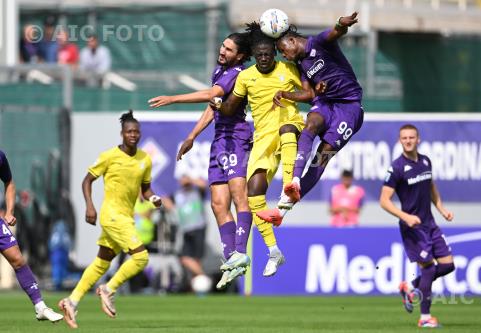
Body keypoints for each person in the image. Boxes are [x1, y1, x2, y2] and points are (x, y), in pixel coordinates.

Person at [148, 33, 253, 288]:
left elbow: (210, 95)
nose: (222, 50)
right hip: (220, 139)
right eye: (223, 45)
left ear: (239, 55)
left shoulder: (236, 73)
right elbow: (212, 106)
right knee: (218, 204)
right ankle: (231, 259)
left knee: (239, 196)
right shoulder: (220, 70)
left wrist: (173, 99)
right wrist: (192, 135)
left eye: (229, 49)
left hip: (236, 138)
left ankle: (240, 251)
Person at [212, 22, 315, 276]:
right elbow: (231, 106)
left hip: (289, 125)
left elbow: (309, 94)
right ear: (255, 56)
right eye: (260, 55)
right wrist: (217, 104)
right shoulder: (246, 77)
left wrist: (289, 96)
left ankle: (290, 186)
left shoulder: (288, 68)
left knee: (287, 129)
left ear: (274, 53)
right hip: (262, 139)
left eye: (269, 54)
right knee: (254, 194)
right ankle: (273, 251)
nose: (265, 58)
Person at [257, 12, 364, 226]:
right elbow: (309, 95)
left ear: (292, 40)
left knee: (322, 157)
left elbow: (336, 32)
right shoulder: (301, 64)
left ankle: (281, 212)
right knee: (311, 124)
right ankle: (294, 181)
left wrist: (340, 24)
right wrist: (286, 94)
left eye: (282, 50)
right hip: (325, 103)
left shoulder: (319, 43)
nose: (283, 56)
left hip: (349, 107)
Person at [58, 111, 162, 329]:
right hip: (111, 215)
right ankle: (108, 288)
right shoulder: (109, 156)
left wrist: (152, 197)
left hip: (126, 216)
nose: (133, 135)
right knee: (141, 258)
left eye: (136, 131)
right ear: (122, 134)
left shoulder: (145, 159)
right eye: (129, 132)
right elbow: (87, 181)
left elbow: (145, 189)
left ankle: (71, 301)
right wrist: (89, 206)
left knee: (100, 263)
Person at [379, 124, 455, 328]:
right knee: (429, 268)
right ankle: (425, 318)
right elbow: (384, 200)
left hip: (430, 223)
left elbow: (432, 188)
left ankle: (411, 288)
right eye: (404, 138)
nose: (408, 141)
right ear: (399, 141)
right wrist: (406, 217)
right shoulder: (396, 167)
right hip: (413, 228)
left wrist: (442, 209)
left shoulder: (425, 161)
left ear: (418, 139)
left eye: (411, 137)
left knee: (448, 265)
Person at [0, 149, 63, 323]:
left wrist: (10, 211)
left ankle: (40, 307)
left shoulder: (0, 155)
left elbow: (9, 182)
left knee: (18, 259)